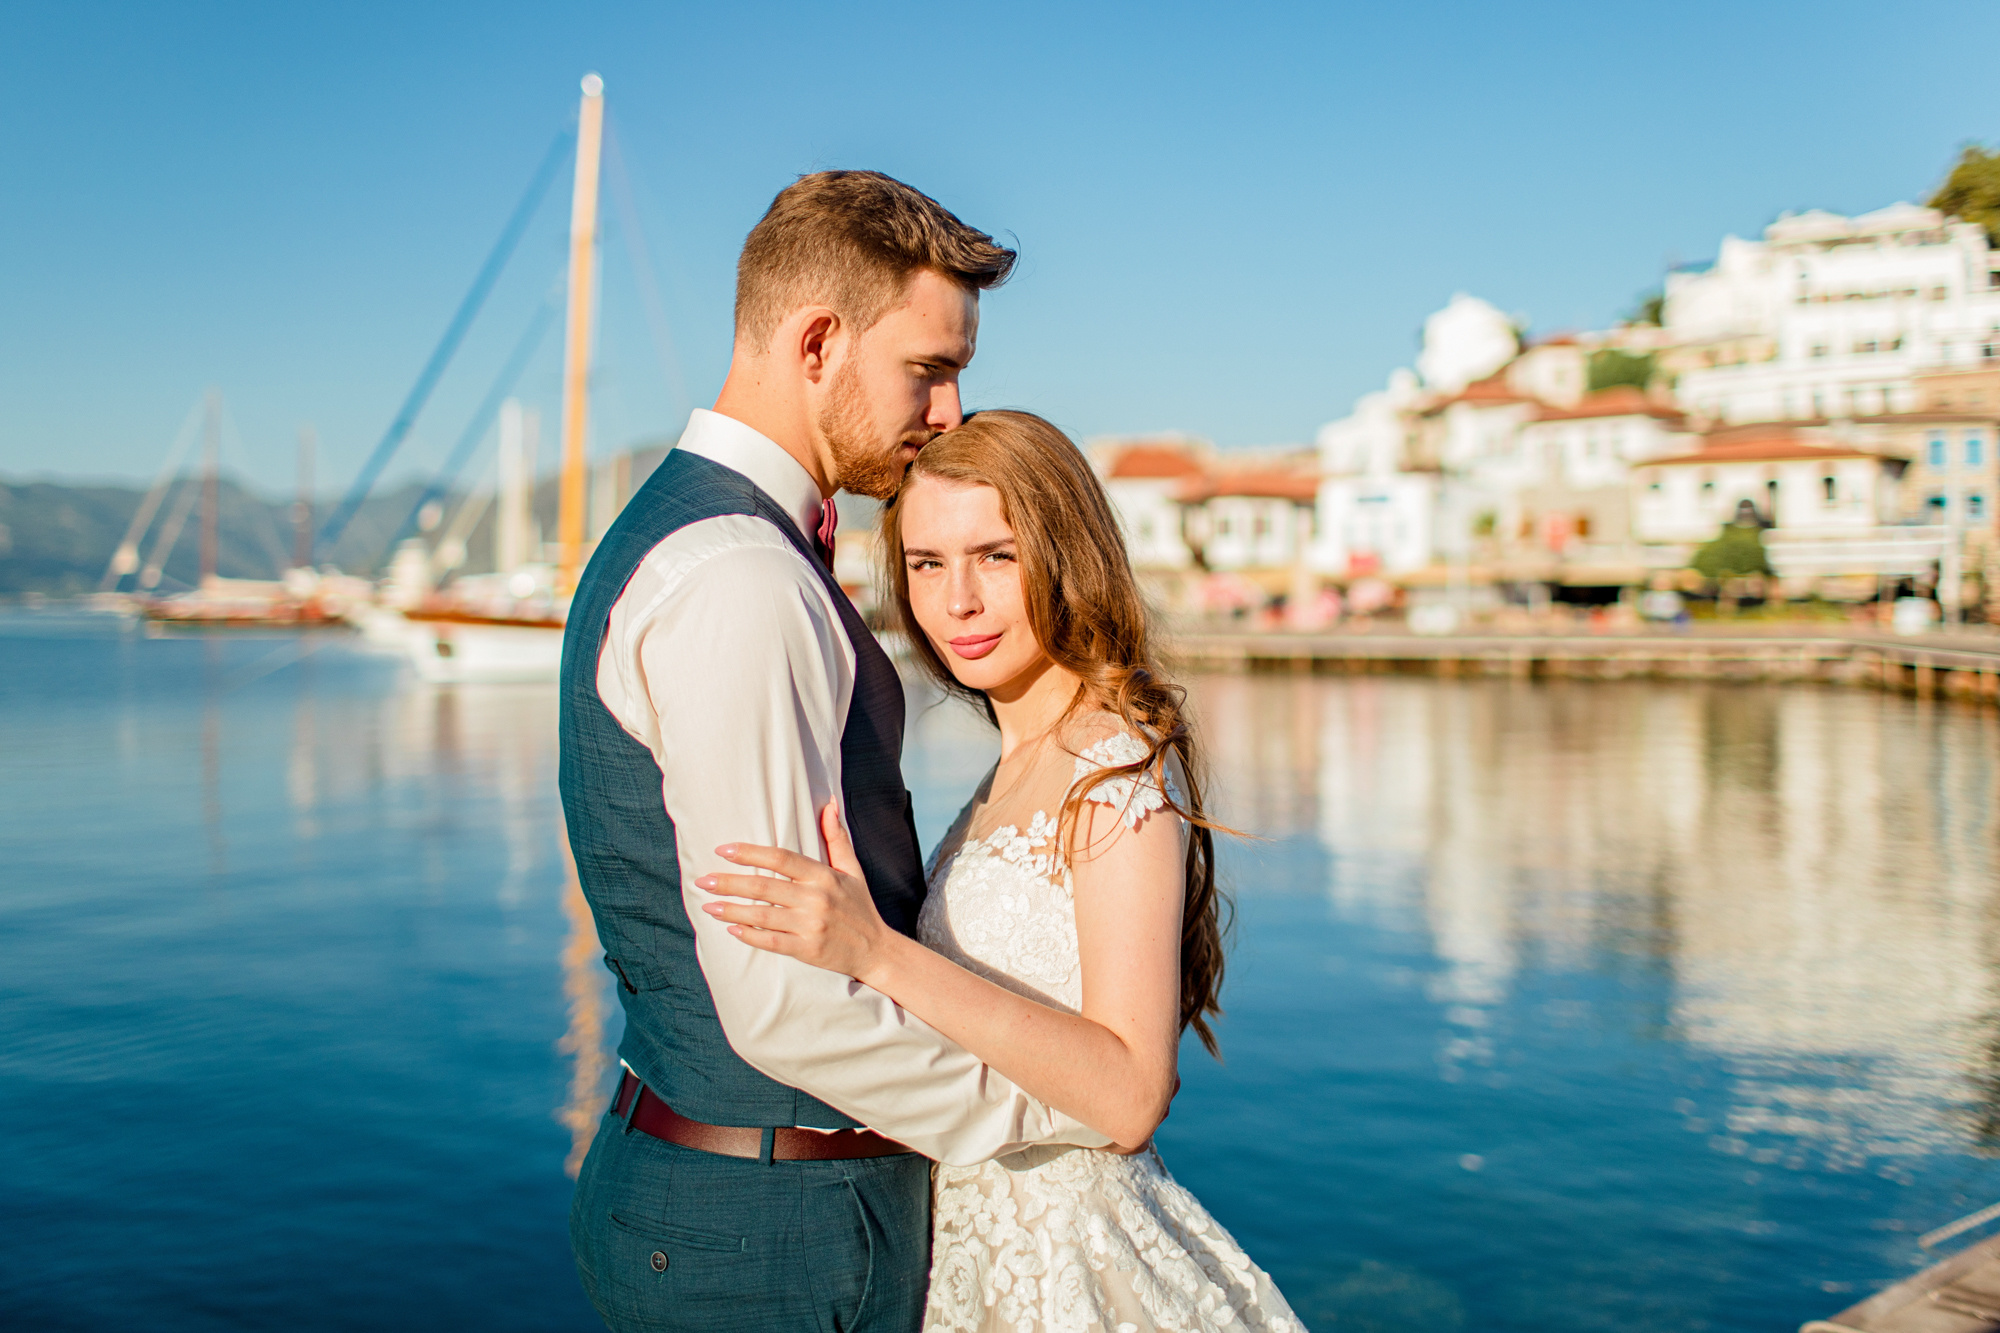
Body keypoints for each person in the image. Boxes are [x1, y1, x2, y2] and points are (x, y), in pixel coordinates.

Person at [560, 175, 1114, 1333]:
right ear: (819, 343)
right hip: (774, 1236)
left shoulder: (695, 539)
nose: (951, 408)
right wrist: (1043, 1118)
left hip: (735, 1200)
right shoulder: (740, 580)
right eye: (927, 367)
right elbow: (784, 1003)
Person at [699, 411, 1302, 1332]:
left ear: (1067, 556)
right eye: (929, 563)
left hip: (1070, 1265)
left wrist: (876, 951)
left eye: (996, 556)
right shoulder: (1009, 767)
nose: (958, 603)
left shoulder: (1114, 763)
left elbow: (1134, 1092)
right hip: (973, 1252)